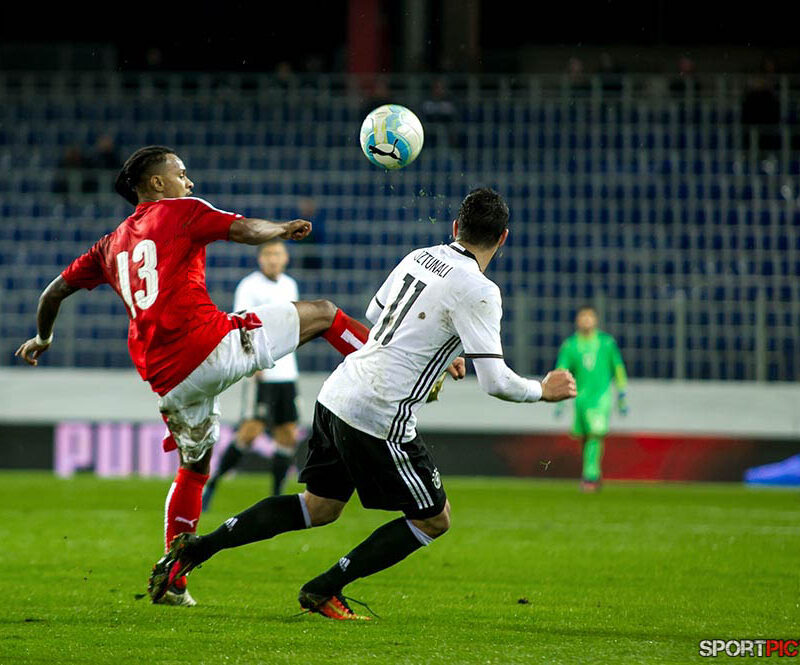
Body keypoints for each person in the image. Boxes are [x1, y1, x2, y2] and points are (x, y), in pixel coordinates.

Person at [147, 188, 577, 619]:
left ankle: (196, 548)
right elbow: (496, 382)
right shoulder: (481, 291)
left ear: (455, 228)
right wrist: (545, 389)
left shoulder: (421, 256)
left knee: (319, 506)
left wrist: (445, 355)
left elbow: (377, 313)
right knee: (433, 518)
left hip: (338, 392)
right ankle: (323, 588)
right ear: (503, 238)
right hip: (381, 414)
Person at [15, 145, 370, 607]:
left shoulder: (108, 245)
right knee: (323, 314)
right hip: (209, 348)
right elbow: (242, 229)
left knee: (193, 469)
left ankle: (174, 579)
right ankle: (391, 363)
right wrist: (281, 229)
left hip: (167, 380)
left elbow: (54, 292)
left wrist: (43, 338)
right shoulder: (180, 211)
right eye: (181, 173)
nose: (190, 182)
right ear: (157, 183)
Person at [202, 239, 302, 510]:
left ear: (285, 258)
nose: (273, 258)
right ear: (260, 258)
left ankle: (276, 495)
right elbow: (240, 324)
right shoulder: (249, 286)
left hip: (287, 372)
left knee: (287, 433)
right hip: (261, 371)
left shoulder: (290, 285)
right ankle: (213, 483)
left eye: (278, 253)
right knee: (251, 430)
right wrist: (251, 362)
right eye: (268, 253)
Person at [555, 306, 628, 492]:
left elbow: (618, 368)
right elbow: (561, 371)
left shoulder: (606, 343)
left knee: (596, 433)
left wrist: (622, 395)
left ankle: (590, 476)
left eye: (589, 317)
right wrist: (560, 400)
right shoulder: (571, 345)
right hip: (581, 399)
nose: (586, 320)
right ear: (577, 320)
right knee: (586, 437)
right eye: (583, 317)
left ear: (595, 320)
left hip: (601, 397)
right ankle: (594, 473)